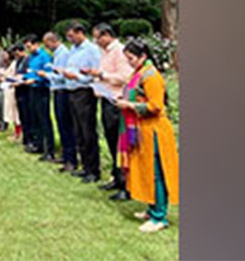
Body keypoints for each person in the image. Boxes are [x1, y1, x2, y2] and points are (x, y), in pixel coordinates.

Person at [113, 39, 180, 233]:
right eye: (127, 59)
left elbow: (156, 106)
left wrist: (130, 106)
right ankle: (152, 209)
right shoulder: (139, 72)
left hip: (155, 130)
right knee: (148, 171)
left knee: (157, 174)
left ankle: (160, 217)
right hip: (142, 129)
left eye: (131, 58)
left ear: (143, 56)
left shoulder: (151, 76)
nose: (129, 62)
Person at [83, 23, 133, 200]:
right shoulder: (105, 53)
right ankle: (117, 177)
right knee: (112, 141)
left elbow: (126, 77)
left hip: (116, 101)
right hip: (106, 98)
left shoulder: (119, 51)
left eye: (97, 37)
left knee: (120, 143)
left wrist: (102, 75)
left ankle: (128, 185)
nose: (95, 41)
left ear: (106, 35)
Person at [59, 22, 103, 183]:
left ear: (80, 33)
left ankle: (94, 169)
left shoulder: (91, 50)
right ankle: (85, 166)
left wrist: (77, 77)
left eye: (71, 36)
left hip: (84, 92)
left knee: (87, 131)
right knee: (78, 131)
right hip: (71, 91)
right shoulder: (73, 49)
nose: (69, 39)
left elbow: (94, 74)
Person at [38, 32, 77, 173]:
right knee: (61, 124)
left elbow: (61, 76)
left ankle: (71, 159)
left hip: (63, 91)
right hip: (57, 90)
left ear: (52, 41)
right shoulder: (58, 54)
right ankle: (66, 155)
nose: (46, 47)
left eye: (46, 43)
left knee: (66, 125)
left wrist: (46, 75)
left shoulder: (63, 54)